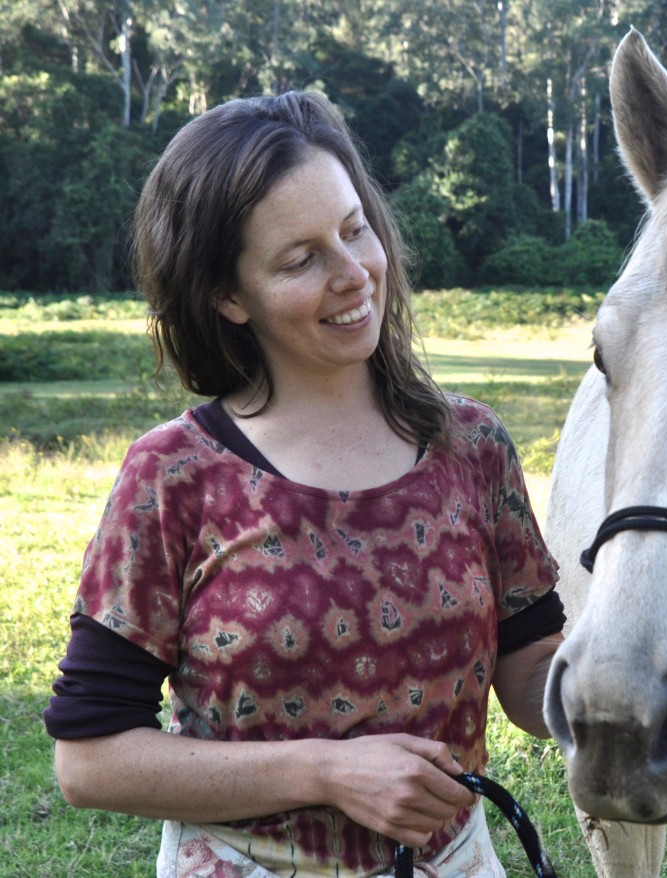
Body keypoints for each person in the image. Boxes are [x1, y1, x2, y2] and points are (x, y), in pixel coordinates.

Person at [43, 90, 564, 878]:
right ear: (227, 295)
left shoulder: (472, 446)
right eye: (302, 259)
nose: (355, 274)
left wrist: (656, 662)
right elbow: (88, 761)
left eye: (355, 230)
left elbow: (530, 681)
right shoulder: (174, 476)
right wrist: (325, 771)